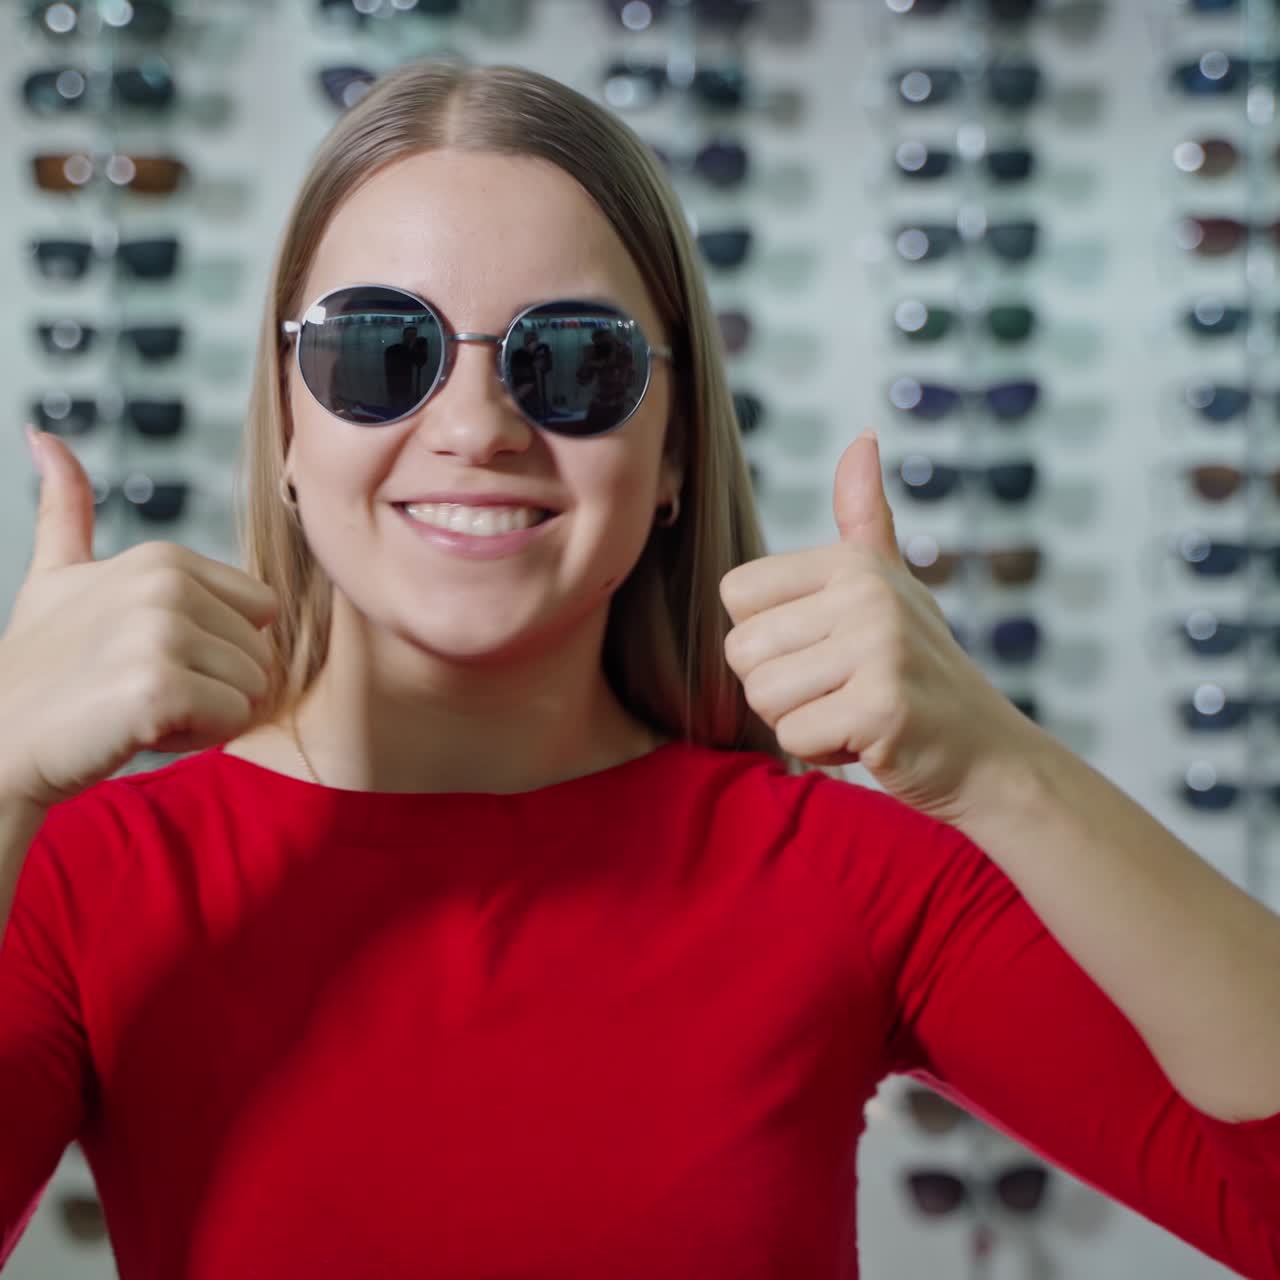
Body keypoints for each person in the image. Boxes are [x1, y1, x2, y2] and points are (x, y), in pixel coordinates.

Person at [0, 60, 1278, 1280]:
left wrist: (1002, 766)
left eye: (570, 361)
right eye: (380, 349)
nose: (471, 428)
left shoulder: (848, 876)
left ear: (671, 455)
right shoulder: (89, 882)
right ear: (288, 422)